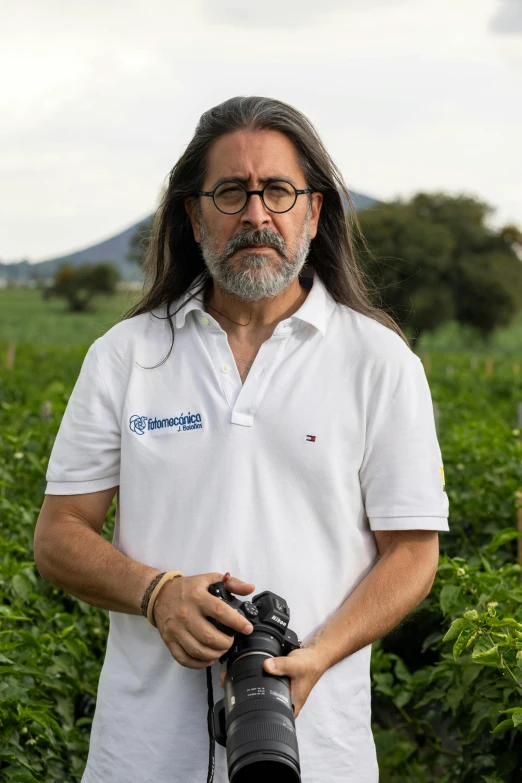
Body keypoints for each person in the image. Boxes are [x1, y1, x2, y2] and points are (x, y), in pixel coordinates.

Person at [33, 95, 449, 783]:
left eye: (278, 191)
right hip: (141, 758)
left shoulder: (380, 362)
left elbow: (412, 552)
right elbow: (57, 535)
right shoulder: (126, 355)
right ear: (194, 215)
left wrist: (316, 654)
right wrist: (156, 592)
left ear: (313, 212)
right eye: (231, 192)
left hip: (319, 754)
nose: (256, 214)